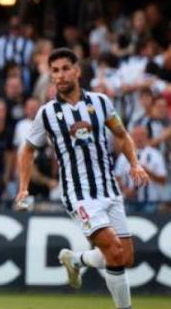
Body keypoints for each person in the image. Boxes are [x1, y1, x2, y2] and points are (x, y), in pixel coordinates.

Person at [15, 48, 149, 308]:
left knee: (125, 257)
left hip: (109, 189)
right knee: (113, 250)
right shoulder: (47, 113)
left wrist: (135, 164)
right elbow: (28, 149)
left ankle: (77, 259)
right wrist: (23, 187)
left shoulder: (100, 102)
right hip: (79, 194)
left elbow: (121, 135)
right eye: (55, 71)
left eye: (65, 69)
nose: (60, 75)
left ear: (77, 71)